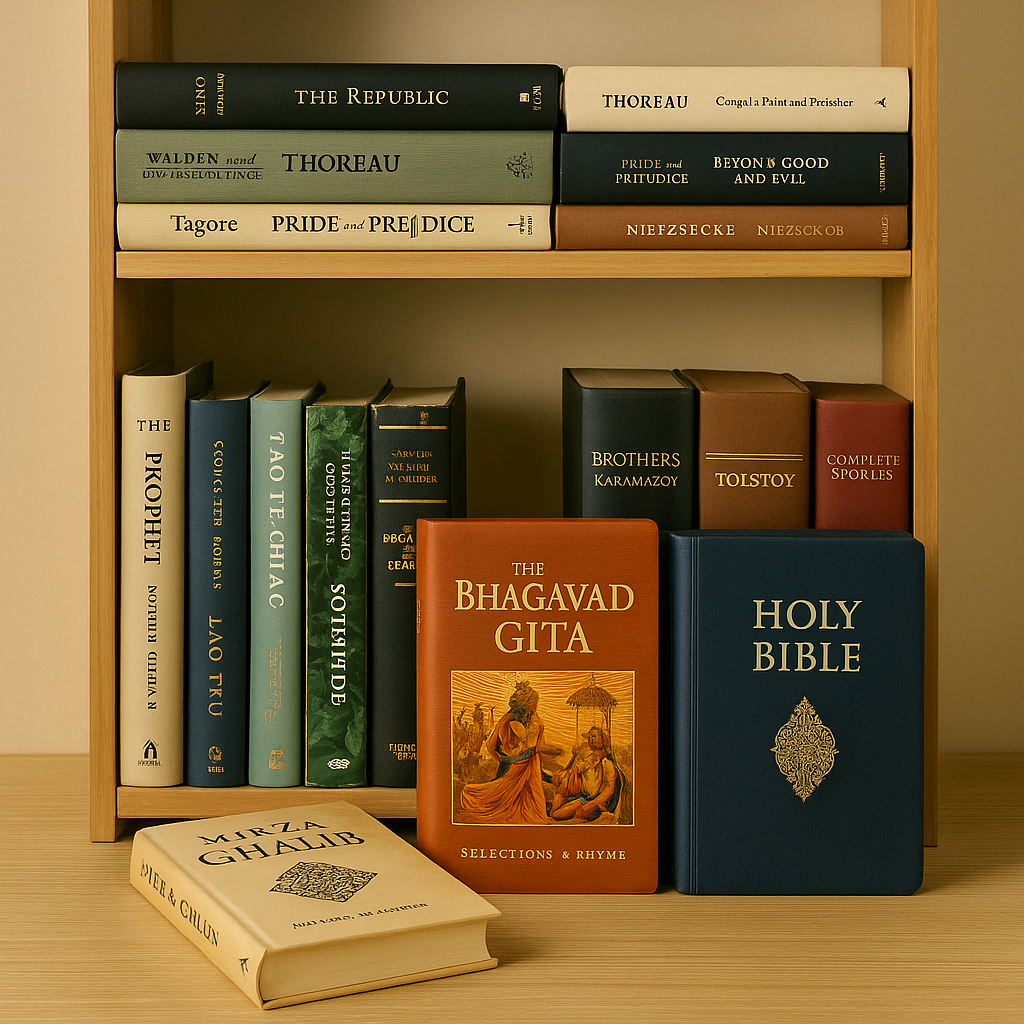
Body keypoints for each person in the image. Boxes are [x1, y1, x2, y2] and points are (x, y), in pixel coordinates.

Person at [457, 675, 549, 824]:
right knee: (505, 799)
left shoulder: (510, 719)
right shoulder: (521, 721)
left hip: (517, 765)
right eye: (534, 704)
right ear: (528, 704)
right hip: (519, 766)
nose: (535, 707)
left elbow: (490, 745)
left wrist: (503, 759)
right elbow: (537, 747)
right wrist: (507, 759)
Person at [549, 725, 624, 823]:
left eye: (594, 736)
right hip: (584, 797)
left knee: (557, 815)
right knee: (556, 806)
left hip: (594, 802)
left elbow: (610, 789)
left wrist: (591, 804)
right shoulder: (590, 757)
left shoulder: (606, 762)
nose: (591, 739)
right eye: (590, 737)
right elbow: (575, 770)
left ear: (602, 739)